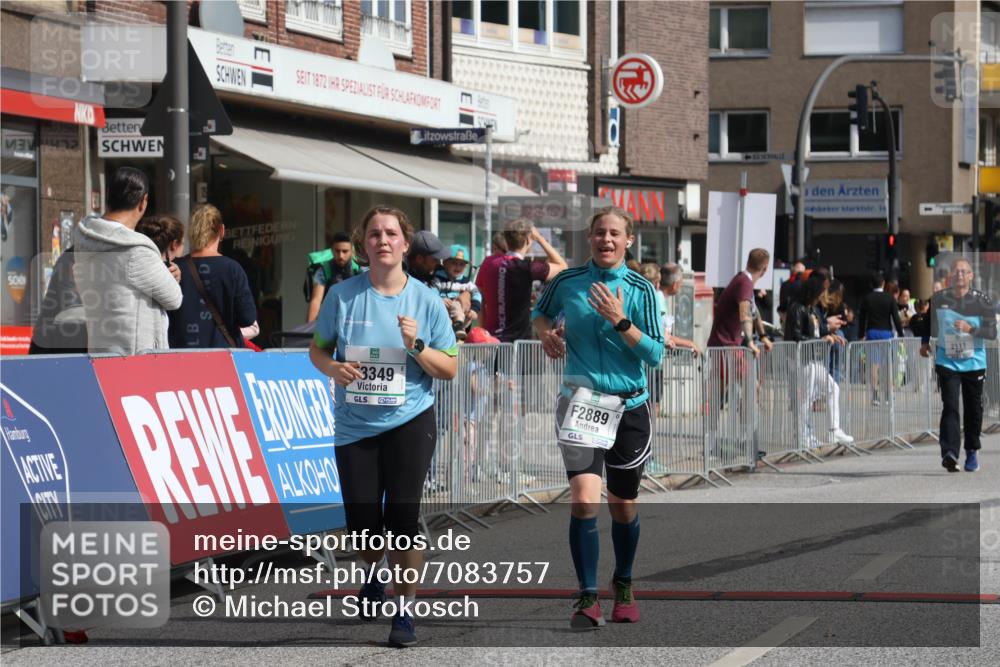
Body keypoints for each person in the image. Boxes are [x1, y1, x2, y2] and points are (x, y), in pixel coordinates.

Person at [309, 205, 458, 647]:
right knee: (364, 523)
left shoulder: (426, 301)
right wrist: (333, 369)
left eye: (391, 233)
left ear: (405, 244)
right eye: (374, 234)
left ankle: (404, 611)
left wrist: (416, 345)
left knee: (402, 517)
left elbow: (448, 369)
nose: (383, 241)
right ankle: (373, 576)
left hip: (409, 420)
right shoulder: (342, 296)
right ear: (363, 244)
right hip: (355, 426)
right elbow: (318, 351)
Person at [532, 206, 664, 629]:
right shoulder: (568, 282)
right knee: (585, 498)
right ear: (589, 238)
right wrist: (546, 334)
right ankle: (587, 597)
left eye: (614, 234)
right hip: (581, 401)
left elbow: (656, 354)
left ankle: (622, 582)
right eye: (599, 233)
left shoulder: (641, 289)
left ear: (629, 241)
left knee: (622, 505)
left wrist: (619, 320)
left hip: (629, 405)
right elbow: (540, 314)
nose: (606, 240)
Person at [72, 166, 182, 355]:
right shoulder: (136, 250)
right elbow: (174, 298)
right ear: (143, 202)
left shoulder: (85, 240)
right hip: (136, 356)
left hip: (100, 351)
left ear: (108, 195)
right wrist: (172, 278)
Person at [921, 258, 996, 473]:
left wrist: (970, 328)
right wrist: (925, 342)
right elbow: (927, 323)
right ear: (951, 276)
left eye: (964, 272)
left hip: (974, 362)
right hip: (948, 362)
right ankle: (950, 453)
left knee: (973, 409)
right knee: (951, 406)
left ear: (971, 276)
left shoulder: (982, 301)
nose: (960, 275)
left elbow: (991, 333)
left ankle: (972, 450)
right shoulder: (939, 299)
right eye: (957, 272)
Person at [168, 205, 257, 349]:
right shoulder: (233, 269)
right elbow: (247, 318)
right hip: (224, 356)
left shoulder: (175, 268)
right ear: (221, 230)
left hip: (182, 356)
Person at [784, 275, 854, 446]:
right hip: (803, 359)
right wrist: (821, 339)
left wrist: (829, 334)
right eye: (818, 294)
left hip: (814, 359)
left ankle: (834, 430)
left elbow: (818, 328)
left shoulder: (812, 309)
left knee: (832, 388)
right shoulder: (797, 308)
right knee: (805, 399)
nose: (820, 298)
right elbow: (796, 335)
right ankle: (803, 435)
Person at [476, 218, 567, 342]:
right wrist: (539, 238)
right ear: (529, 240)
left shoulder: (488, 263)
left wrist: (482, 334)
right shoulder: (527, 267)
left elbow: (481, 301)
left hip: (491, 341)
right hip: (519, 344)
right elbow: (563, 267)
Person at [707, 249, 773, 357]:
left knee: (744, 373)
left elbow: (754, 312)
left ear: (748, 262)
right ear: (765, 268)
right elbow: (745, 313)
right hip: (725, 348)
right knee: (741, 373)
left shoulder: (743, 280)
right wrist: (750, 342)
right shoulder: (745, 283)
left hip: (726, 347)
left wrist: (763, 336)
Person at [858, 271, 904, 405]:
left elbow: (862, 318)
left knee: (873, 365)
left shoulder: (867, 298)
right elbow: (896, 318)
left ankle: (875, 395)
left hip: (872, 332)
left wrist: (861, 334)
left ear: (871, 284)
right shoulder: (889, 298)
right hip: (886, 333)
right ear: (883, 284)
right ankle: (888, 395)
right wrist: (901, 335)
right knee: (887, 364)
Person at [307, 231, 362, 323]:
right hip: (330, 319)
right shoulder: (323, 270)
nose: (341, 256)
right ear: (332, 250)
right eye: (337, 251)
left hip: (354, 319)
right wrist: (309, 329)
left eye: (345, 251)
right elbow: (316, 300)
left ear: (352, 251)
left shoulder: (358, 269)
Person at [433, 244, 482, 340]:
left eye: (462, 264)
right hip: (445, 311)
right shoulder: (439, 278)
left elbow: (477, 293)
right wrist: (440, 299)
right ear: (445, 263)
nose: (458, 267)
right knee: (455, 304)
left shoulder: (466, 282)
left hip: (461, 316)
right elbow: (432, 291)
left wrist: (474, 309)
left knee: (466, 311)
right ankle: (457, 328)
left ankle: (459, 331)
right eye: (454, 263)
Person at [658, 262, 700, 355]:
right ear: (675, 285)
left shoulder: (659, 298)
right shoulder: (659, 300)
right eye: (681, 282)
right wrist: (690, 344)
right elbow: (661, 334)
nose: (681, 285)